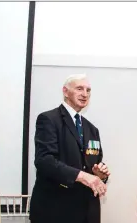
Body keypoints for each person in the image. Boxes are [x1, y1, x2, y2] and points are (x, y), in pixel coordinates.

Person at [29, 74, 110, 223]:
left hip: (87, 211)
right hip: (55, 209)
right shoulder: (48, 119)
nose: (85, 94)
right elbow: (45, 161)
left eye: (88, 90)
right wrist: (84, 176)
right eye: (79, 89)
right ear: (65, 91)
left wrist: (98, 173)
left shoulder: (92, 129)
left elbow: (94, 163)